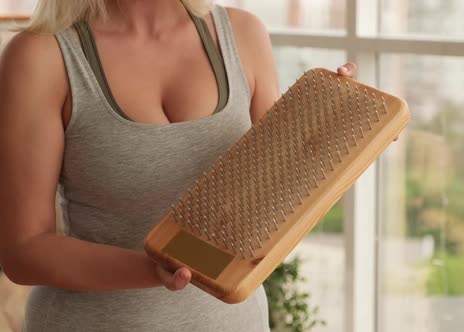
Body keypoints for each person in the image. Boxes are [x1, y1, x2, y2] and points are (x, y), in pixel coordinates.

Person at [0, 0, 358, 331]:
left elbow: (278, 206)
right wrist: (155, 269)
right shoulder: (41, 55)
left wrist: (342, 133)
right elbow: (24, 251)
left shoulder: (244, 35)